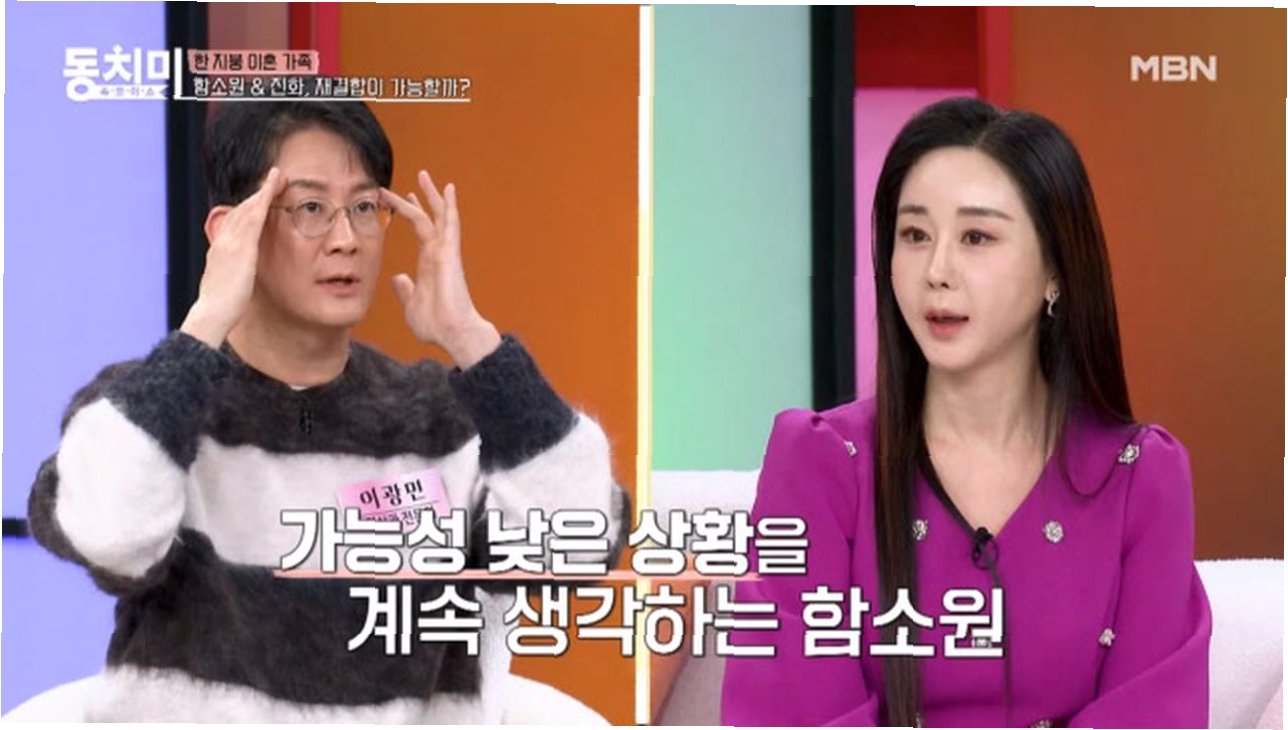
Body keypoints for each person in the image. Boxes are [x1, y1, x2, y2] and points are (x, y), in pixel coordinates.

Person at [27, 100, 629, 722]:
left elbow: (577, 547)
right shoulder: (153, 409)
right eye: (310, 209)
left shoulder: (438, 420)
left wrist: (472, 340)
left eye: (364, 208)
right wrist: (204, 324)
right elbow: (109, 534)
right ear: (233, 230)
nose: (346, 240)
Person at [720, 97, 1211, 727]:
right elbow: (787, 709)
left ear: (1056, 269)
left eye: (976, 237)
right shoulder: (821, 463)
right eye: (914, 236)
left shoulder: (1140, 477)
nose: (937, 271)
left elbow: (1153, 714)